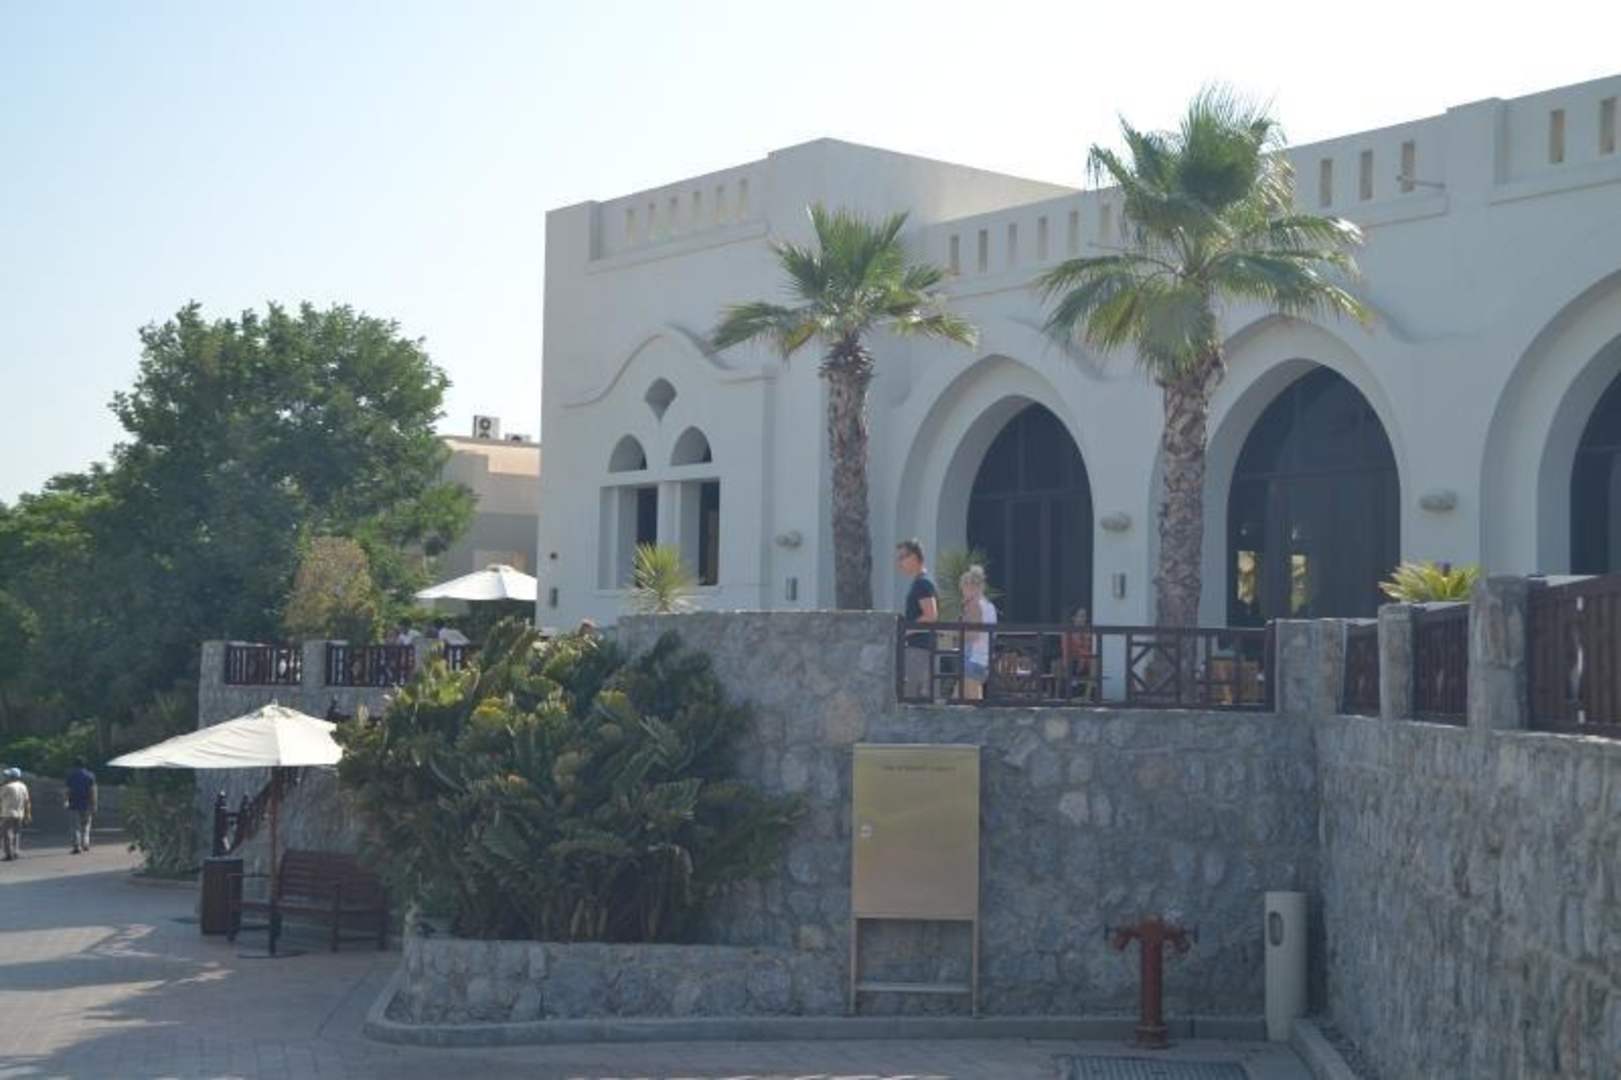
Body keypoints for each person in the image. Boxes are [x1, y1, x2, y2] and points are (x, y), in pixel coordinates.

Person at [895, 539, 938, 700]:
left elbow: (931, 615)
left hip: (919, 649)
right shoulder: (921, 583)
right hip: (919, 649)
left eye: (902, 557)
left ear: (913, 557)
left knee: (912, 698)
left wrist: (907, 630)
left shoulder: (922, 584)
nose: (899, 563)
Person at [959, 565, 998, 701]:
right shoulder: (989, 606)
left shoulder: (974, 606)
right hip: (983, 660)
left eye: (963, 587)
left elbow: (973, 635)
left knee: (968, 704)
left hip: (972, 659)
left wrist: (953, 634)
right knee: (966, 701)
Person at [64, 760, 96, 854]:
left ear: (75, 765)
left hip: (74, 804)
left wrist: (66, 801)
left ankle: (77, 846)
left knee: (75, 826)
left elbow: (67, 790)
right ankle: (85, 844)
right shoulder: (90, 776)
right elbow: (93, 791)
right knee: (86, 825)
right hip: (87, 804)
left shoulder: (71, 776)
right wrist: (94, 804)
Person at [0, 768, 30, 861]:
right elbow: (27, 801)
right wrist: (28, 814)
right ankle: (16, 851)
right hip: (20, 813)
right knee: (16, 833)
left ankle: (9, 854)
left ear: (12, 777)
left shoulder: (7, 787)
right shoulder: (23, 786)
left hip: (8, 813)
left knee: (6, 834)